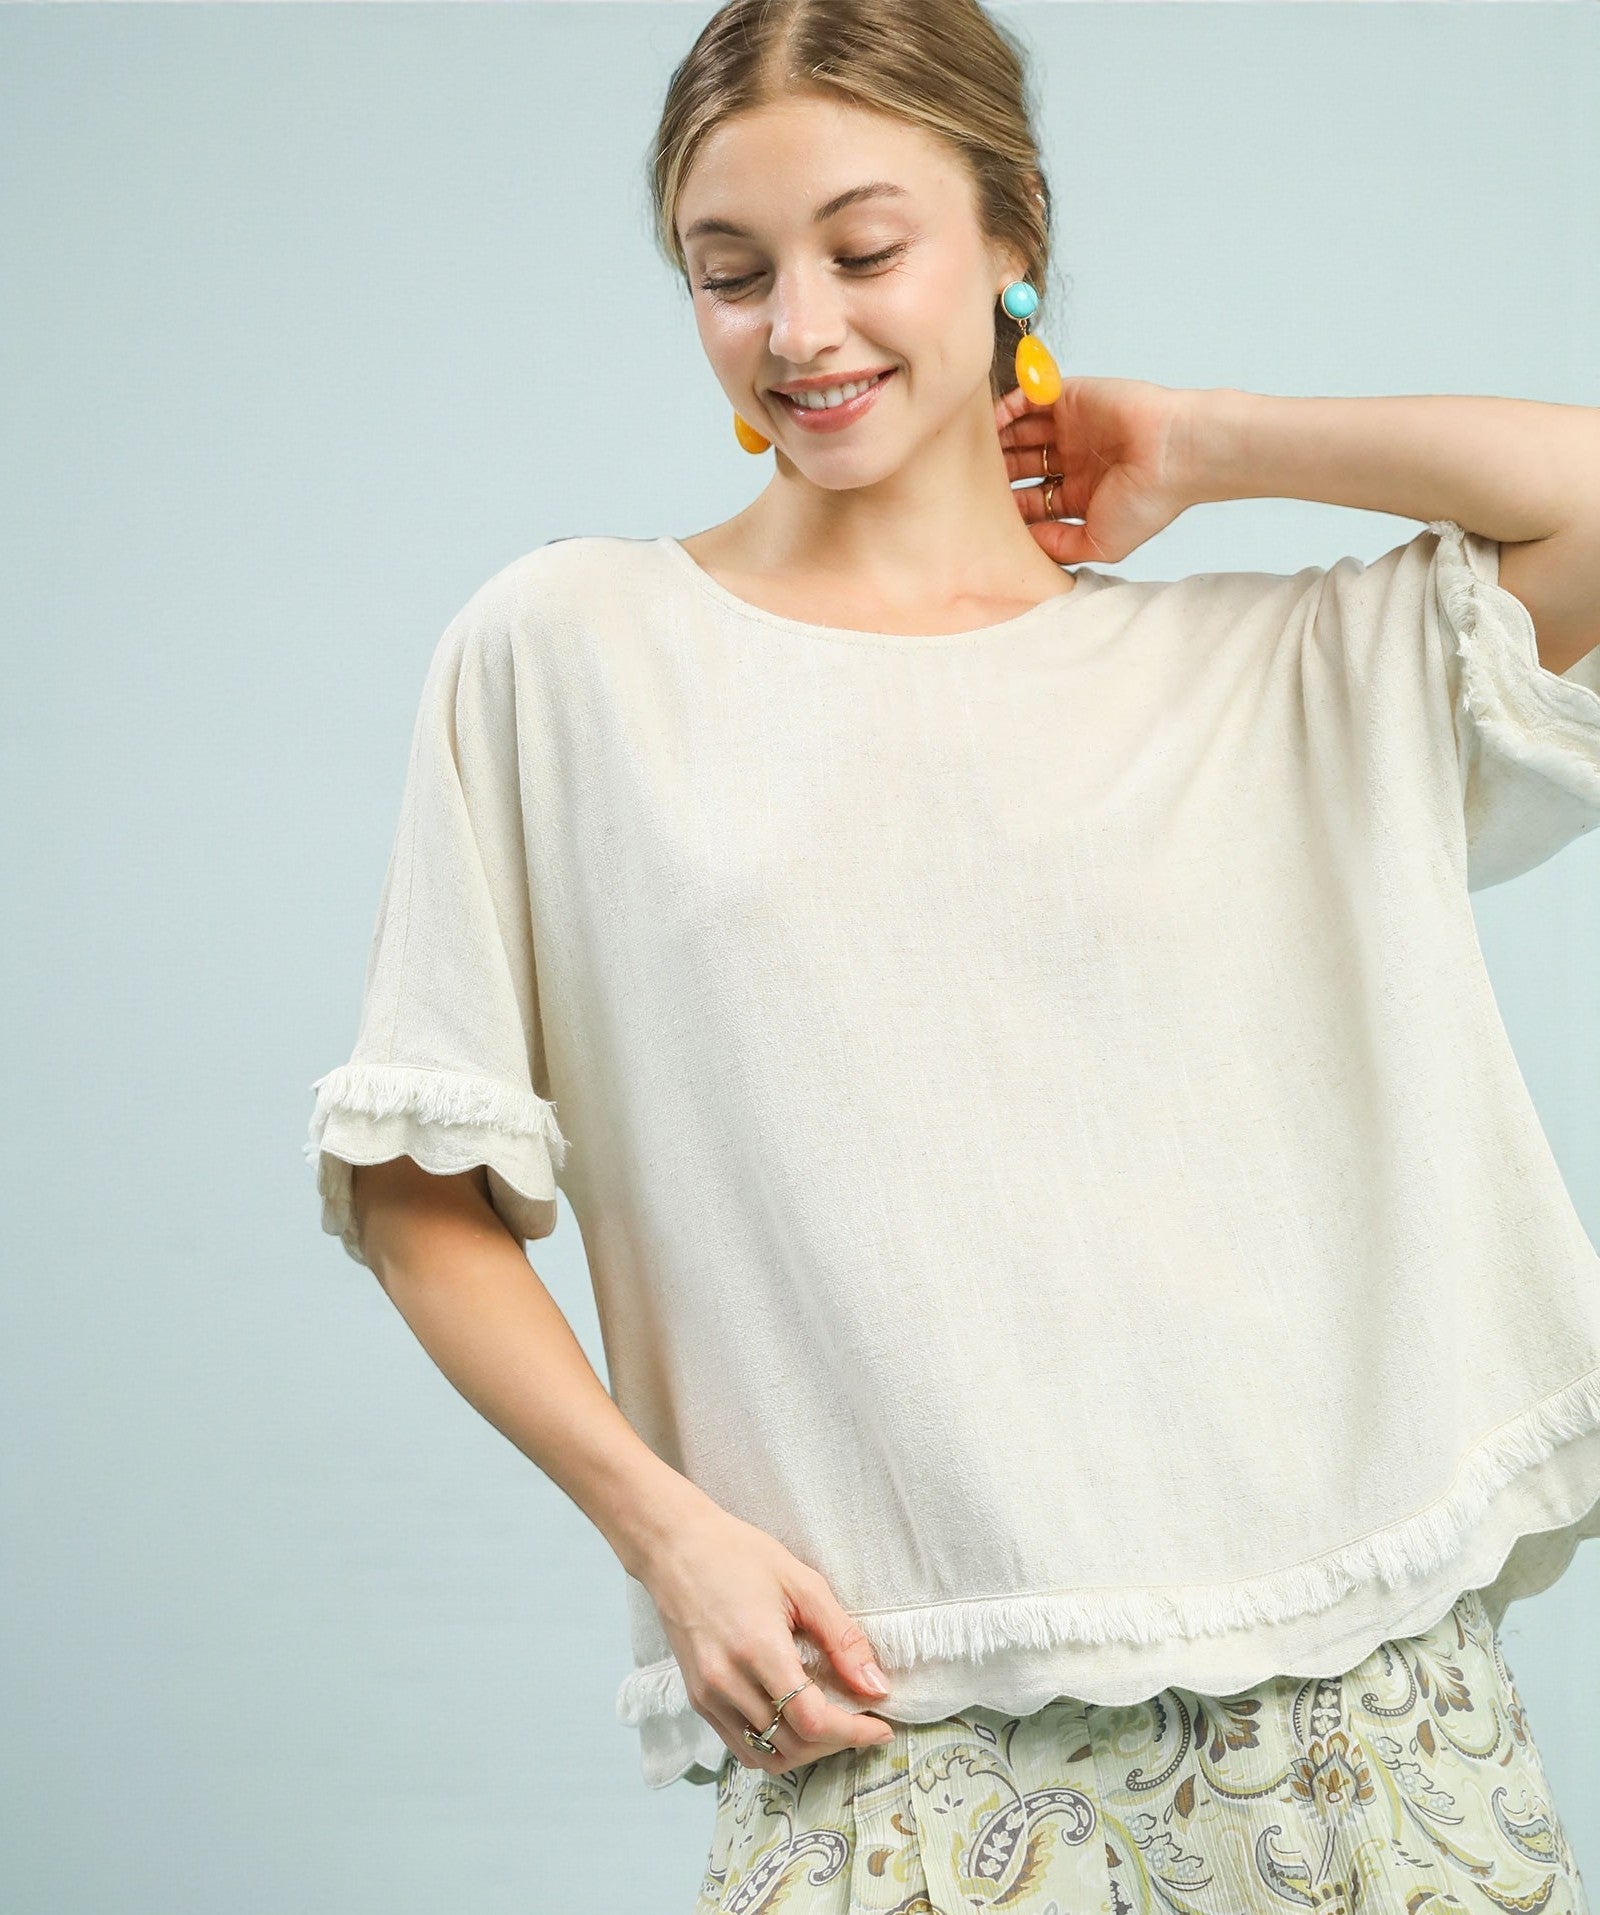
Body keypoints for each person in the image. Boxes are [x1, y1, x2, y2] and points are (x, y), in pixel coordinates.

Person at [305, 1, 1600, 1907]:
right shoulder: (572, 653)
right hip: (887, 1729)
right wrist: (669, 1535)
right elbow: (417, 1189)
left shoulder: (1252, 670)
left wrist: (1204, 441)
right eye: (729, 272)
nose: (801, 329)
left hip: (1353, 1726)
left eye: (865, 248)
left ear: (1012, 238)